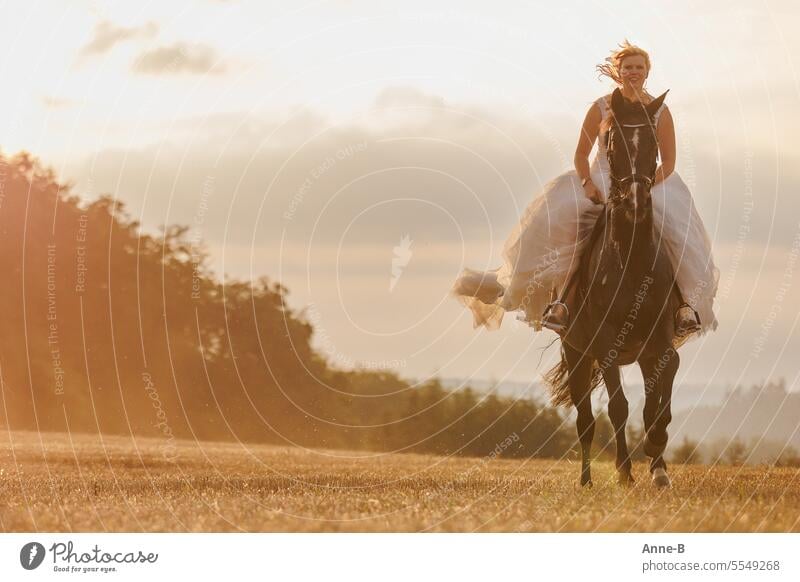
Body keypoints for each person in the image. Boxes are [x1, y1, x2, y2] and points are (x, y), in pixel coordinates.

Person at [451, 41, 719, 339]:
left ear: (647, 72)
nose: (633, 71)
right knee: (569, 226)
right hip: (603, 176)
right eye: (627, 66)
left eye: (638, 67)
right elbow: (581, 154)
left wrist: (643, 186)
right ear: (619, 71)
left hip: (648, 180)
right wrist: (587, 183)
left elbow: (668, 161)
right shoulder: (601, 107)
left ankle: (684, 306)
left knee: (676, 232)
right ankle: (562, 303)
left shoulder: (660, 111)